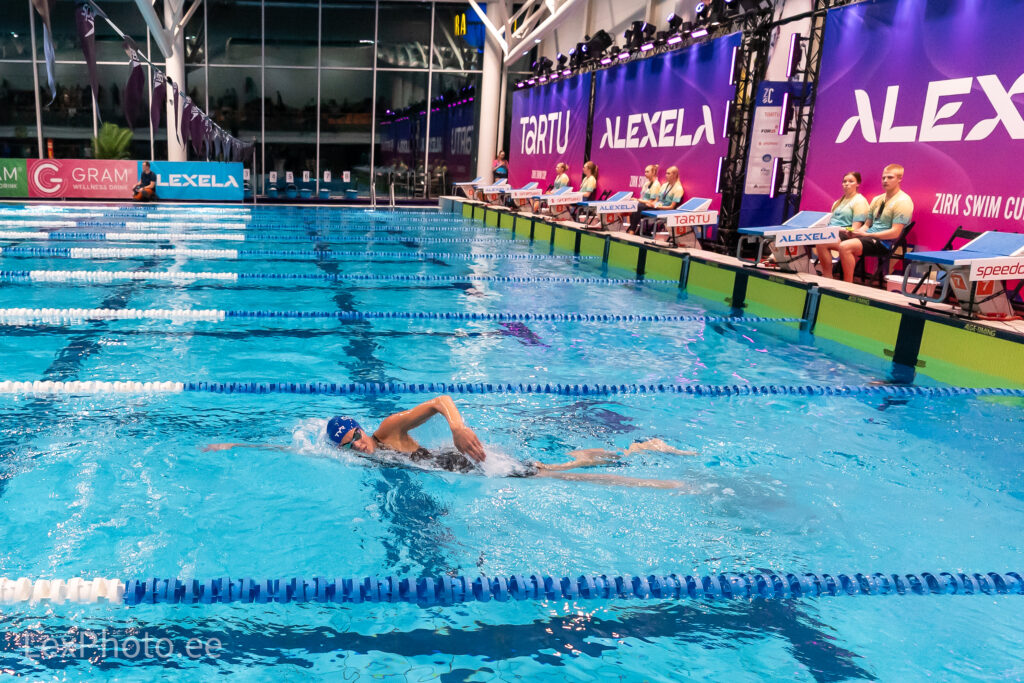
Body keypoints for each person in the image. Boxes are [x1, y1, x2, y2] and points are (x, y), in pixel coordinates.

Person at [203, 395, 696, 489]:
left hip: (470, 463)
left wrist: (458, 426)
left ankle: (646, 461)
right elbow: (298, 451)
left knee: (560, 478)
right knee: (555, 471)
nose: (359, 447)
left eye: (357, 437)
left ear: (362, 428)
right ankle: (630, 455)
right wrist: (239, 448)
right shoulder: (355, 457)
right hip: (462, 468)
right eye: (349, 446)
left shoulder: (388, 430)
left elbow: (440, 400)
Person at [834, 164, 913, 283]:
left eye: (890, 177)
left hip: (884, 243)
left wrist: (867, 235)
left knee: (845, 246)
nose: (885, 180)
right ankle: (828, 277)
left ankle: (847, 285)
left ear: (899, 179)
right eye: (883, 177)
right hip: (869, 237)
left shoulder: (903, 201)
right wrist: (858, 232)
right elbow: (867, 225)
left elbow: (895, 233)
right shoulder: (877, 199)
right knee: (825, 241)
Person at [814, 172, 871, 279]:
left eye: (851, 181)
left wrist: (839, 229)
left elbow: (855, 229)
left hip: (846, 235)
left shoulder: (860, 201)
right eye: (844, 181)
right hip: (830, 232)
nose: (847, 184)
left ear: (857, 184)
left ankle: (827, 276)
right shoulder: (837, 202)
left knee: (821, 242)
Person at [630, 165, 684, 235]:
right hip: (657, 207)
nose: (666, 175)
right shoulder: (664, 185)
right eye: (666, 173)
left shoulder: (678, 188)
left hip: (665, 210)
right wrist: (653, 204)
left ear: (674, 175)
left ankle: (633, 231)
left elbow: (671, 207)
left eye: (668, 173)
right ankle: (637, 231)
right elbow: (657, 200)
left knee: (640, 207)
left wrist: (656, 206)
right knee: (638, 207)